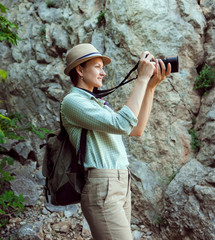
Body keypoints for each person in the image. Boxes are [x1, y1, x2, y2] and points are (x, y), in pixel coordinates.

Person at [61, 43, 171, 240]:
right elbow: (122, 124)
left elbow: (135, 129)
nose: (103, 72)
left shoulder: (97, 103)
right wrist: (142, 78)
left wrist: (150, 87)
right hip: (102, 184)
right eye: (97, 66)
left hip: (120, 183)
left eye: (103, 67)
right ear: (79, 70)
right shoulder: (73, 102)